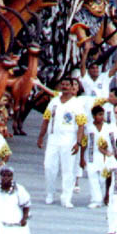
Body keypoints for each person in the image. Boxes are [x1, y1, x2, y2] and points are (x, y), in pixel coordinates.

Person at [37, 76, 86, 206]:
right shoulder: (54, 102)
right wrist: (41, 137)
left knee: (68, 169)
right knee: (49, 167)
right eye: (62, 85)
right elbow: (46, 120)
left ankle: (66, 198)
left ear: (72, 87)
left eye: (67, 85)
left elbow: (81, 125)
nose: (64, 87)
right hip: (53, 139)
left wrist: (78, 142)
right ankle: (50, 193)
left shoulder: (77, 104)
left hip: (69, 140)